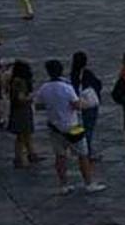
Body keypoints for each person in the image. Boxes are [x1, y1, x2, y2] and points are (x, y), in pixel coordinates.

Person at [37, 59, 107, 194]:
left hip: (54, 127)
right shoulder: (66, 87)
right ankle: (89, 183)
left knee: (60, 156)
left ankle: (63, 185)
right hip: (72, 125)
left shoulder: (44, 88)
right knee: (83, 155)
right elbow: (76, 105)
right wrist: (88, 103)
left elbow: (38, 105)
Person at [71, 51, 103, 160]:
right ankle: (87, 153)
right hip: (89, 105)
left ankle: (81, 150)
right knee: (88, 129)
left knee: (80, 127)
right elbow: (98, 84)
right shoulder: (87, 73)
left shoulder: (73, 74)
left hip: (78, 104)